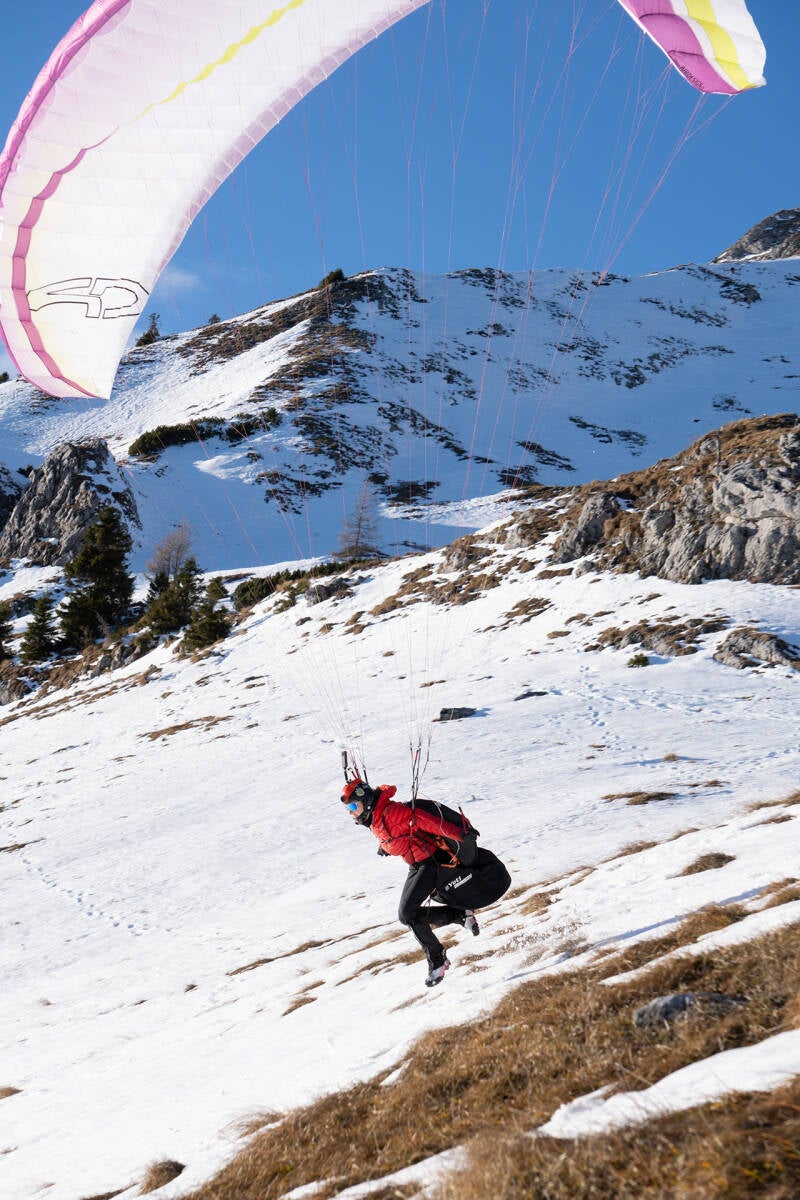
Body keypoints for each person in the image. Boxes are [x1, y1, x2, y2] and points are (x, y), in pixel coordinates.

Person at [341, 779, 511, 987]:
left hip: (428, 864)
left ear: (366, 802)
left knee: (407, 915)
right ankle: (459, 915)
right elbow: (397, 834)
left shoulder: (391, 813)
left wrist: (459, 834)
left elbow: (422, 820)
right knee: (408, 915)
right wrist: (385, 846)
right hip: (418, 864)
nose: (350, 813)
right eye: (347, 808)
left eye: (352, 807)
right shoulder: (376, 817)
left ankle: (438, 959)